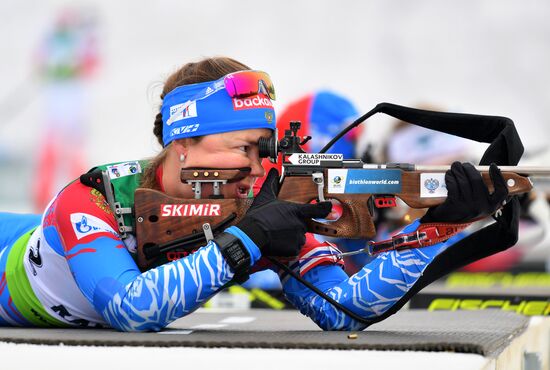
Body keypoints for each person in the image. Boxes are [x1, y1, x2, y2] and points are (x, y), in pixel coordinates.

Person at [0, 57, 519, 331]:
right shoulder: (93, 196)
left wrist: (439, 227)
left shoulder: (257, 203)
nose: (257, 168)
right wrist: (246, 241)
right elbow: (130, 309)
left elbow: (345, 310)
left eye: (264, 150)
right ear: (184, 143)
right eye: (243, 148)